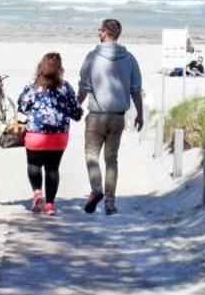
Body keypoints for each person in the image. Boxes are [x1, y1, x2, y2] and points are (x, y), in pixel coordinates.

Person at [78, 17, 144, 215]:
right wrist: (140, 113)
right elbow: (135, 89)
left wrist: (75, 106)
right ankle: (110, 203)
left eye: (100, 30)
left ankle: (96, 189)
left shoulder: (92, 57)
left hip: (96, 115)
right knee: (111, 159)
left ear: (106, 32)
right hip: (117, 117)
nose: (98, 33)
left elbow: (84, 87)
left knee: (91, 155)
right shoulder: (130, 58)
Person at [15, 52, 83, 216]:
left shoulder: (31, 87)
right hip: (58, 137)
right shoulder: (65, 88)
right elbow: (76, 114)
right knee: (53, 168)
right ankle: (50, 205)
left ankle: (37, 193)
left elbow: (21, 110)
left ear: (41, 68)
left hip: (35, 135)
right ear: (59, 70)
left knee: (33, 165)